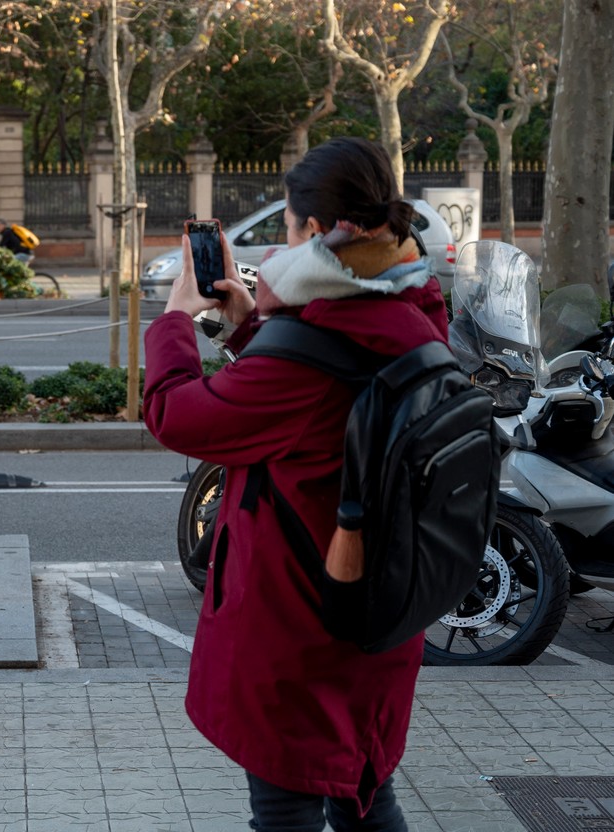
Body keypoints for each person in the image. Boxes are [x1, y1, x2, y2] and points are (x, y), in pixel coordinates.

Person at [143, 137, 447, 831]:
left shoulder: (310, 351)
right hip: (382, 606)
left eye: (285, 223)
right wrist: (253, 325)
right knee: (362, 792)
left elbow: (178, 416)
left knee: (287, 808)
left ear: (312, 231)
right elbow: (329, 391)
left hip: (300, 621)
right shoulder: (412, 304)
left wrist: (172, 320)